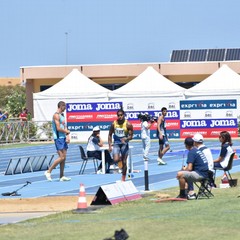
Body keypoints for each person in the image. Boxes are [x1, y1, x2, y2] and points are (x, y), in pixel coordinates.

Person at [44, 101, 71, 181]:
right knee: (61, 157)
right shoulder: (56, 115)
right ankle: (49, 171)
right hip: (58, 138)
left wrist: (67, 136)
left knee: (64, 157)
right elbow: (58, 128)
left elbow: (65, 127)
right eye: (64, 107)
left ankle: (61, 176)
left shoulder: (62, 115)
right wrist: (66, 132)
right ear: (61, 106)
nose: (65, 108)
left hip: (63, 138)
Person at [108, 108, 133, 181]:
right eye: (118, 115)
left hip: (124, 144)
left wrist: (126, 139)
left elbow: (131, 136)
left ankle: (123, 178)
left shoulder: (128, 124)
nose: (120, 117)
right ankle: (120, 159)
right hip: (116, 143)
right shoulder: (114, 124)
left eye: (121, 115)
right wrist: (110, 145)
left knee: (124, 162)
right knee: (115, 159)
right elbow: (109, 134)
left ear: (124, 115)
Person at [187, 133, 215, 199]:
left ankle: (191, 192)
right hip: (210, 171)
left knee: (188, 172)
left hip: (206, 172)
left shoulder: (199, 151)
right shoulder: (206, 149)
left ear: (195, 142)